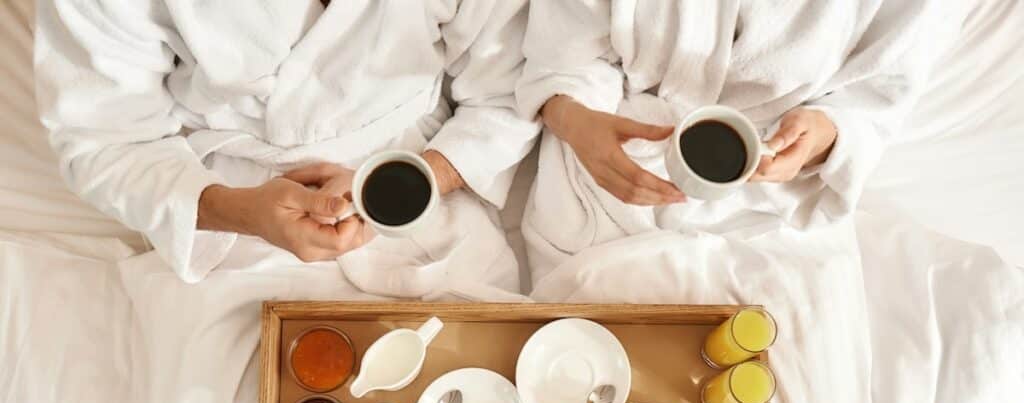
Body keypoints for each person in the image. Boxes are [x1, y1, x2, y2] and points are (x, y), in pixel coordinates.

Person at [35, 0, 538, 297]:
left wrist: (419, 177)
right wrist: (240, 212)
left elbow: (509, 87)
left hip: (419, 173)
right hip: (237, 207)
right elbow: (104, 138)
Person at [515, 0, 941, 285]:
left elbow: (880, 93)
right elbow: (564, 50)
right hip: (609, 163)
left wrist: (824, 133)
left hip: (774, 203)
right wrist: (574, 119)